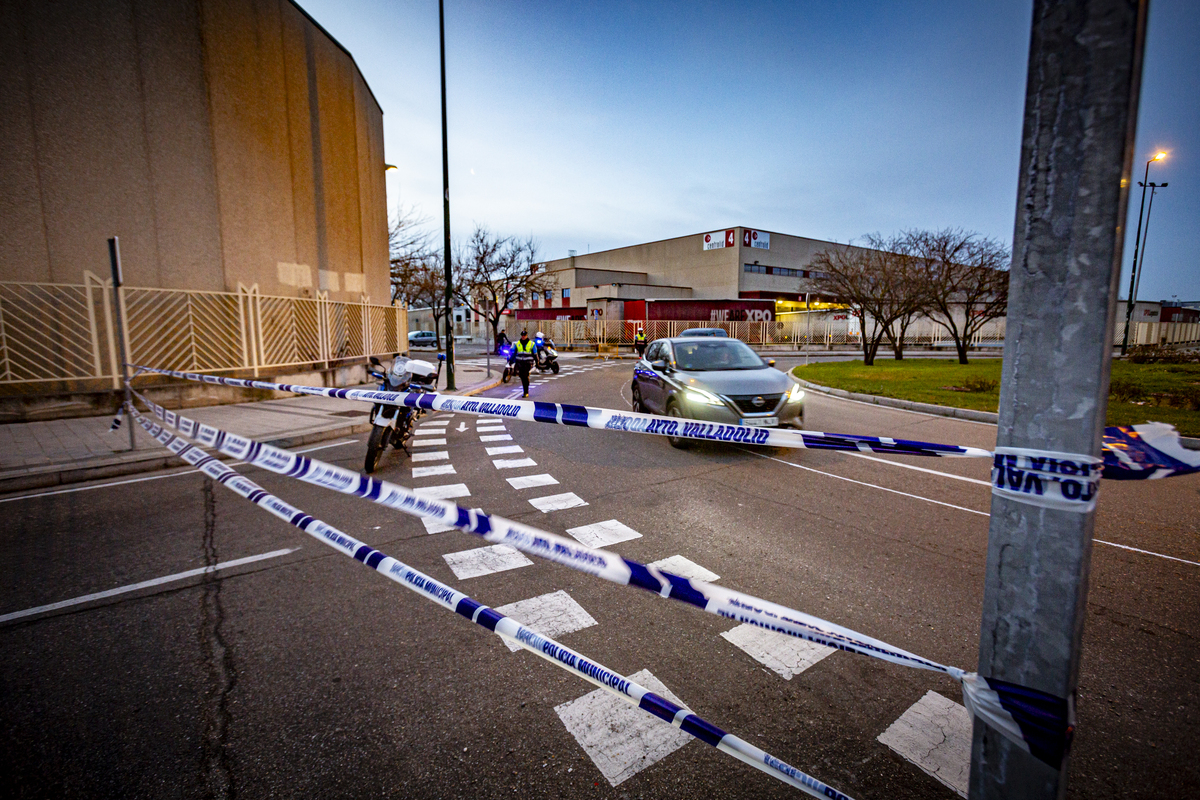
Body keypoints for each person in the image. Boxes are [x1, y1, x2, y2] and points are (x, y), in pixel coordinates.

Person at [510, 329, 536, 397]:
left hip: (528, 363)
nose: (523, 336)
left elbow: (535, 354)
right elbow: (514, 353)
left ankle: (525, 392)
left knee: (524, 376)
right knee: (522, 376)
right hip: (519, 363)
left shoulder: (532, 344)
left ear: (527, 336)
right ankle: (526, 383)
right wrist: (511, 361)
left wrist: (537, 362)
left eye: (525, 335)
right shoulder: (517, 343)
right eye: (522, 335)